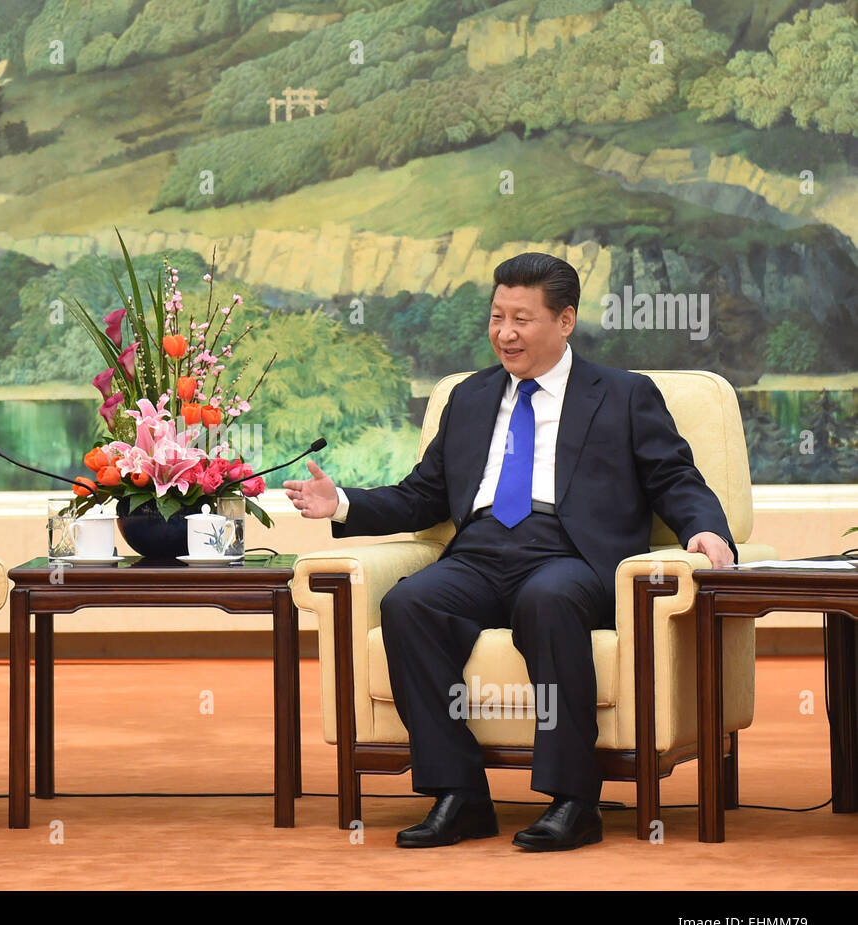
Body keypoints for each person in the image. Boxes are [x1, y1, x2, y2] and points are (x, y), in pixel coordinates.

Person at [283, 252, 735, 851]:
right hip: (480, 551)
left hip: (570, 555)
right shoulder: (470, 397)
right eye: (497, 317)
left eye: (522, 318)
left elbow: (675, 477)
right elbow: (424, 497)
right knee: (410, 604)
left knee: (548, 600)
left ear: (565, 320)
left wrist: (705, 530)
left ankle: (575, 800)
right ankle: (461, 794)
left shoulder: (624, 395)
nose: (505, 332)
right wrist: (340, 502)